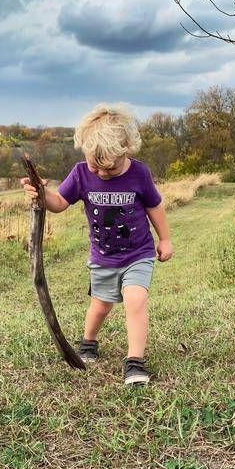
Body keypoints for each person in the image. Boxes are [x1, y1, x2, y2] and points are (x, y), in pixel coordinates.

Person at [21, 103, 173, 385]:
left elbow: (155, 206)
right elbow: (58, 203)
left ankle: (135, 362)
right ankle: (89, 341)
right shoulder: (80, 174)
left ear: (126, 149)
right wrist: (41, 193)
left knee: (135, 300)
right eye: (95, 166)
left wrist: (164, 238)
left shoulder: (140, 174)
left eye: (110, 167)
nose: (102, 173)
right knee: (101, 306)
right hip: (103, 258)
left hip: (138, 254)